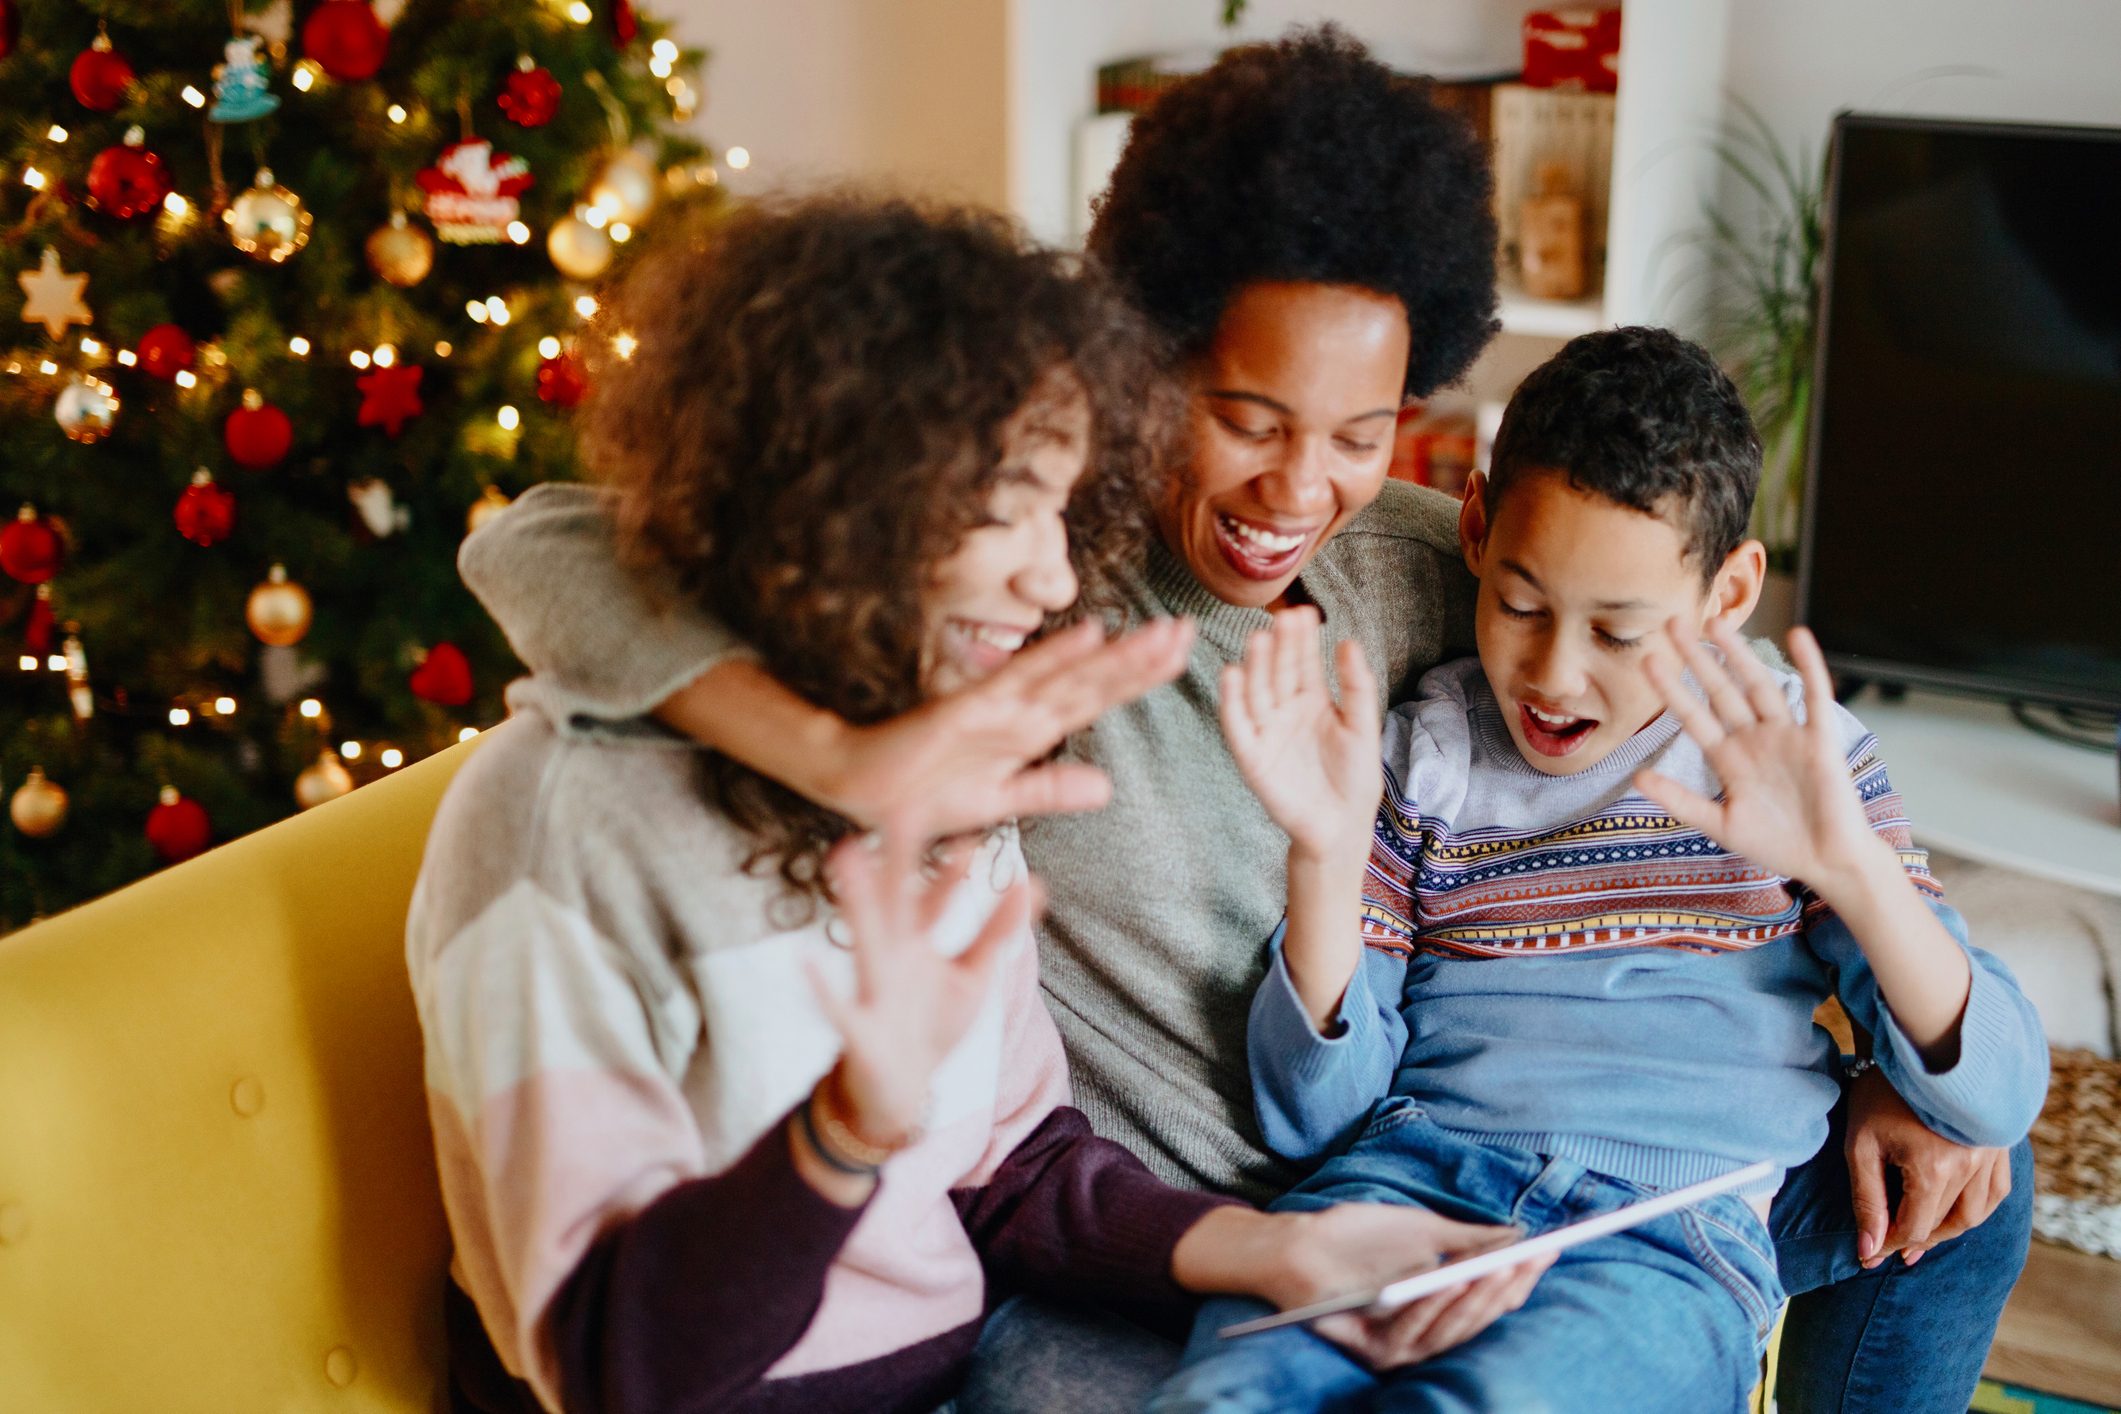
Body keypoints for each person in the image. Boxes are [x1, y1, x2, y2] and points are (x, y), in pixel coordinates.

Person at [455, 29, 2035, 1413]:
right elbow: (543, 541)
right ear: (1141, 357)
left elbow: (1621, 609)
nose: (1301, 491)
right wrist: (839, 757)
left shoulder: (1428, 564)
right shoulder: (1022, 583)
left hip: (1467, 1169)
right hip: (1164, 1228)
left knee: (1976, 1172)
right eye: (1247, 418)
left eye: (1360, 431)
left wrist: (1903, 1041)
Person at [407, 194, 1545, 1414]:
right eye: (1006, 507)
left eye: (1061, 514)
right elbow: (613, 1370)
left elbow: (1011, 1166)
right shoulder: (558, 829)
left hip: (967, 1368)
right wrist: (843, 1132)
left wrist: (1287, 1254)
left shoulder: (944, 762)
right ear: (828, 497)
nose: (1055, 576)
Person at [1149, 327, 2049, 1412]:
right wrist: (1326, 863)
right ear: (1474, 527)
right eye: (1522, 605)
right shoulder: (1423, 756)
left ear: (1728, 596)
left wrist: (1851, 870)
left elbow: (1996, 1091)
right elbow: (1314, 1122)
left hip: (1657, 1241)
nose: (1552, 674)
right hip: (1406, 1191)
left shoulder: (1792, 752)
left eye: (1620, 633)